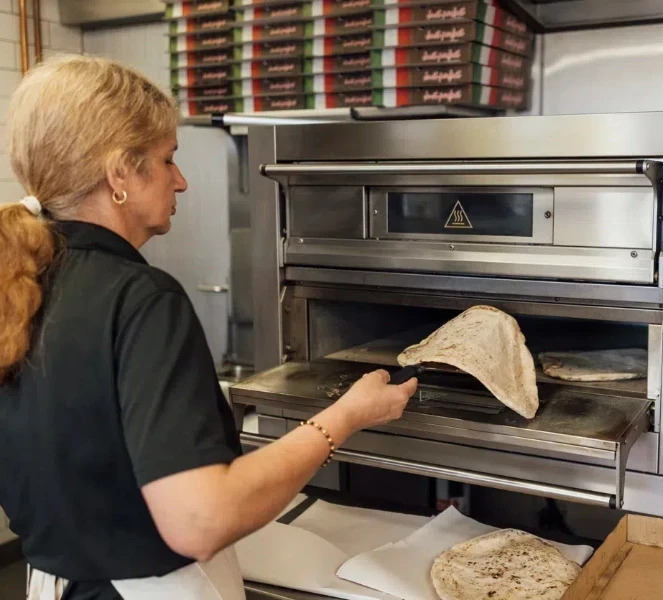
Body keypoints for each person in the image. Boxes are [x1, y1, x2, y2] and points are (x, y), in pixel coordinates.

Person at [0, 55, 418, 600]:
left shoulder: (22, 283)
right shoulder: (140, 298)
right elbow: (199, 521)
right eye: (167, 159)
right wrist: (345, 417)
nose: (182, 181)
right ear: (120, 172)